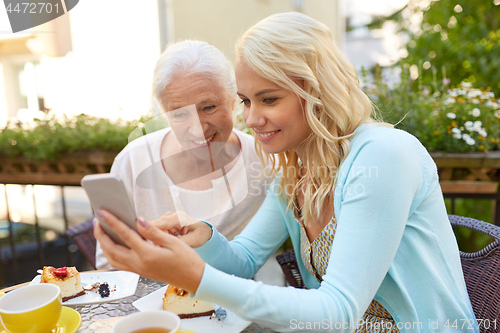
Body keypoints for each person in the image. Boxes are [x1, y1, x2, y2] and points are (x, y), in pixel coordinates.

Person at [94, 13, 479, 332]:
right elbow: (243, 259)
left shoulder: (384, 156)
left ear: (317, 91)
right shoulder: (292, 169)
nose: (251, 118)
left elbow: (338, 311)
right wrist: (202, 236)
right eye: (245, 100)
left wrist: (197, 277)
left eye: (269, 99)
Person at [95, 40, 272, 269]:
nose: (198, 128)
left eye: (208, 108)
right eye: (179, 114)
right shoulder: (133, 161)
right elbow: (109, 262)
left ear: (232, 102)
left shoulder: (266, 160)